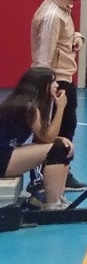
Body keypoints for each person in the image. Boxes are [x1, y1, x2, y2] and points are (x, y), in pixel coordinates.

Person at [30, 0, 87, 192]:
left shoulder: (63, 10)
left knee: (66, 129)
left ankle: (61, 171)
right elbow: (43, 56)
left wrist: (78, 37)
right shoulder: (52, 15)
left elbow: (65, 37)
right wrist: (49, 86)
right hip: (55, 82)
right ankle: (42, 180)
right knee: (50, 134)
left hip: (63, 78)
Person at [0, 67, 74, 211]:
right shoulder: (30, 108)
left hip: (6, 154)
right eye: (53, 82)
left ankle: (57, 197)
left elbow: (43, 137)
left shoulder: (25, 103)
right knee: (57, 149)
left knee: (62, 146)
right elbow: (48, 138)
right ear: (43, 85)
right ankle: (52, 204)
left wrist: (59, 138)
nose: (57, 85)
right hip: (3, 158)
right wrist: (60, 107)